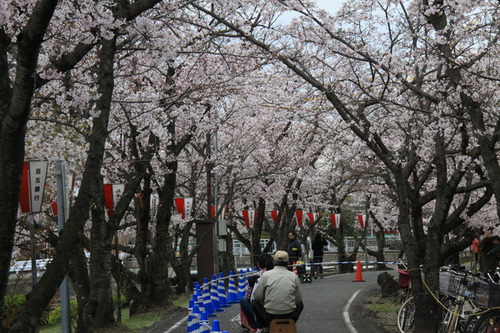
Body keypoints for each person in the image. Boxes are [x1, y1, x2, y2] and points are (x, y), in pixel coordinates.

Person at [251, 251, 304, 332]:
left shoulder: (266, 275)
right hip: (289, 314)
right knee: (301, 304)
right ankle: (292, 323)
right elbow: (298, 299)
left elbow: (257, 297)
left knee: (255, 302)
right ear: (287, 263)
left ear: (274, 262)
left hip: (270, 315)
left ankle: (263, 326)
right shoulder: (294, 276)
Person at [240, 253, 274, 331]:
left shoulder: (255, 277)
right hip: (284, 309)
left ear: (258, 264)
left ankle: (255, 327)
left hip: (263, 310)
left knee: (244, 300)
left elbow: (248, 296)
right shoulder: (282, 275)